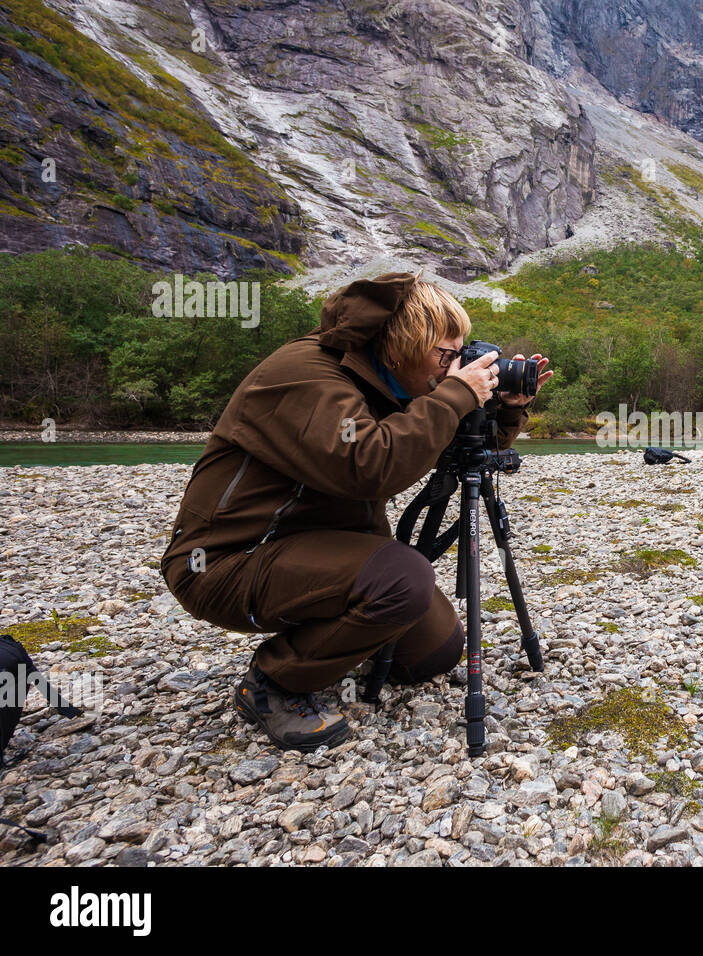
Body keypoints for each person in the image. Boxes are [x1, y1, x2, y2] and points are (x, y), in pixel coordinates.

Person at [159, 272, 552, 750]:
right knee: (403, 581)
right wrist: (455, 394)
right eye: (445, 355)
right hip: (227, 560)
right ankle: (273, 682)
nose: (453, 367)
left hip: (312, 548)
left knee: (435, 650)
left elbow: (451, 449)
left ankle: (335, 642)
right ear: (403, 346)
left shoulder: (389, 379)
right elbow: (369, 465)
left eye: (459, 354)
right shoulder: (306, 373)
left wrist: (505, 409)